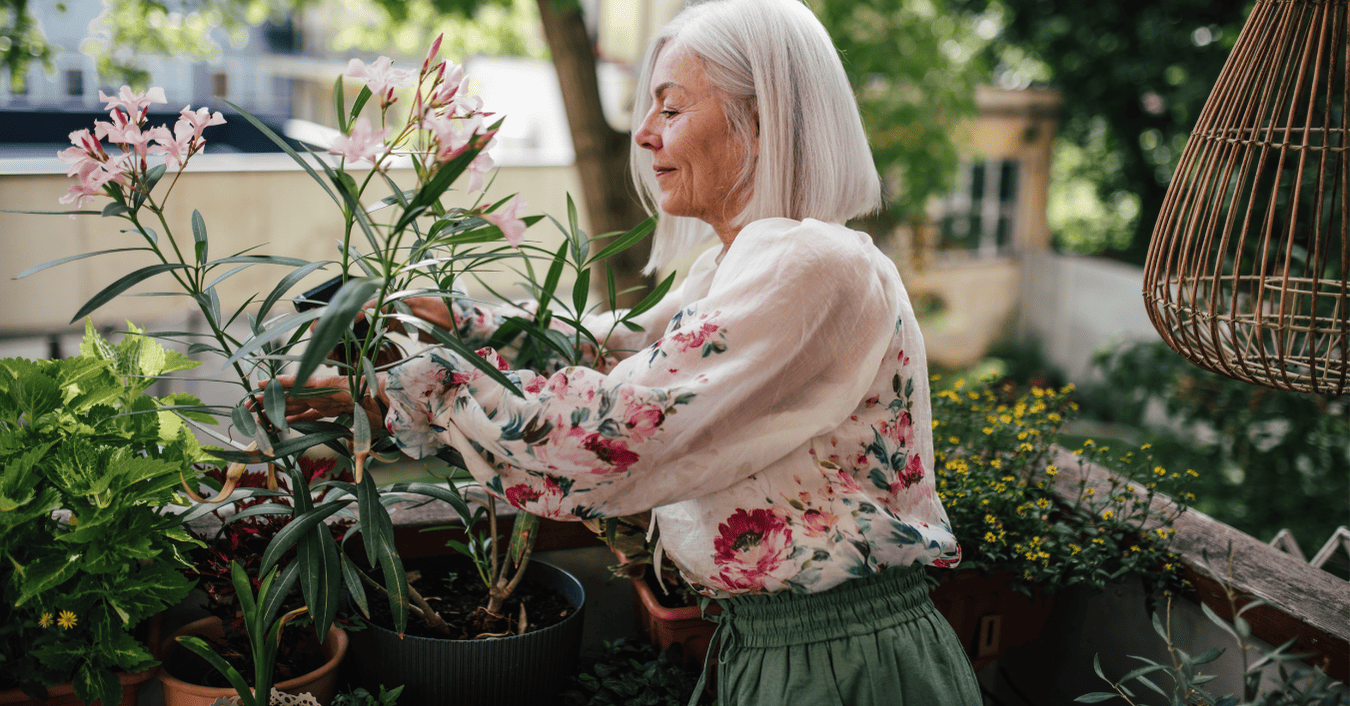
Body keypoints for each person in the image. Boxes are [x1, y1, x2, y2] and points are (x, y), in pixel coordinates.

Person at [278, 0, 982, 702]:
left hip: (840, 663)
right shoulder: (737, 265)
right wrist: (453, 320)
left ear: (762, 118)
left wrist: (417, 388)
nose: (644, 134)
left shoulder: (809, 263)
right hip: (790, 645)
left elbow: (623, 423)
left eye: (671, 109)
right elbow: (630, 341)